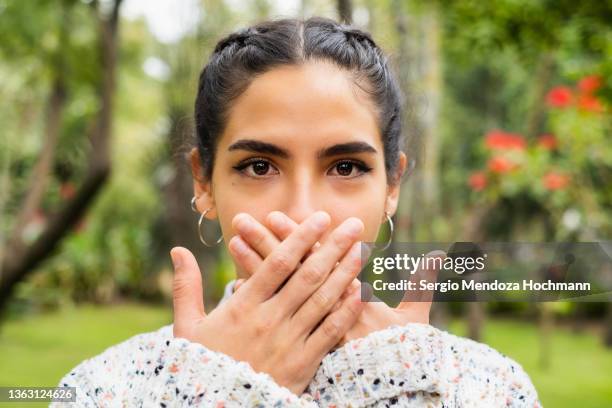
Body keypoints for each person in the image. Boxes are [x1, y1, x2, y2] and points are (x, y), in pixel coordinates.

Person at [52, 16, 541, 407]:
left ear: (392, 185)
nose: (305, 214)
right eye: (259, 165)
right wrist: (208, 391)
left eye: (346, 166)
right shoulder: (105, 388)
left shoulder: (485, 387)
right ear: (204, 183)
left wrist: (403, 388)